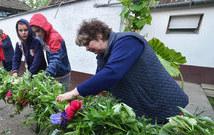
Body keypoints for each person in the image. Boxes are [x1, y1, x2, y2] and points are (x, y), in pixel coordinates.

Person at [56, 19, 189, 124]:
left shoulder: (127, 41)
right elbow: (100, 80)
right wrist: (83, 102)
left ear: (99, 35)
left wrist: (74, 92)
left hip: (164, 104)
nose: (86, 49)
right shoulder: (103, 56)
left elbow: (112, 73)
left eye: (87, 43)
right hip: (145, 108)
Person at [30, 13, 71, 92]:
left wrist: (46, 75)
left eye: (38, 31)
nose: (37, 34)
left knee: (62, 99)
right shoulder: (46, 37)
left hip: (61, 74)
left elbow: (55, 60)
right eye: (35, 32)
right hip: (56, 72)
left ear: (43, 27)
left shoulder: (54, 38)